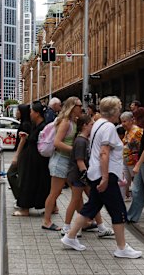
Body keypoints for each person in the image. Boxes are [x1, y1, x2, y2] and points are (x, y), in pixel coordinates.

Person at [61, 96, 142, 259]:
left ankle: (69, 237)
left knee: (91, 208)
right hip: (105, 175)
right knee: (118, 210)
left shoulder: (97, 123)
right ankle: (121, 247)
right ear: (114, 111)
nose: (120, 112)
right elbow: (104, 153)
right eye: (119, 109)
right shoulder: (109, 128)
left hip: (96, 174)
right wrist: (106, 178)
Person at [62, 114, 114, 237]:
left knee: (94, 200)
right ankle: (66, 227)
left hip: (83, 177)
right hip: (79, 176)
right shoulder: (80, 141)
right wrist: (87, 176)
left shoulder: (85, 140)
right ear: (85, 126)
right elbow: (80, 161)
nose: (93, 126)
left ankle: (101, 227)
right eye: (91, 124)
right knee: (75, 200)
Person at [42, 97, 82, 231]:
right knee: (55, 192)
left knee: (77, 192)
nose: (81, 108)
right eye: (79, 105)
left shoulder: (74, 122)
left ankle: (85, 220)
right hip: (60, 161)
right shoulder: (65, 122)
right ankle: (46, 221)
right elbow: (57, 143)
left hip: (68, 162)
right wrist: (75, 150)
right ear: (72, 107)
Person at [11, 102, 51, 216]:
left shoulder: (43, 126)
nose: (30, 114)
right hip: (34, 161)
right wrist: (28, 137)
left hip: (36, 161)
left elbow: (41, 143)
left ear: (37, 113)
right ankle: (51, 207)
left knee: (29, 184)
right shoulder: (37, 125)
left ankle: (25, 209)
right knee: (41, 184)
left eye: (32, 111)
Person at [119, 112, 143, 201]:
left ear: (131, 121)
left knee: (136, 183)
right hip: (126, 160)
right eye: (122, 122)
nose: (123, 124)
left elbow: (135, 147)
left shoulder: (137, 131)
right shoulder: (127, 131)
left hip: (133, 162)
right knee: (123, 182)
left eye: (125, 121)